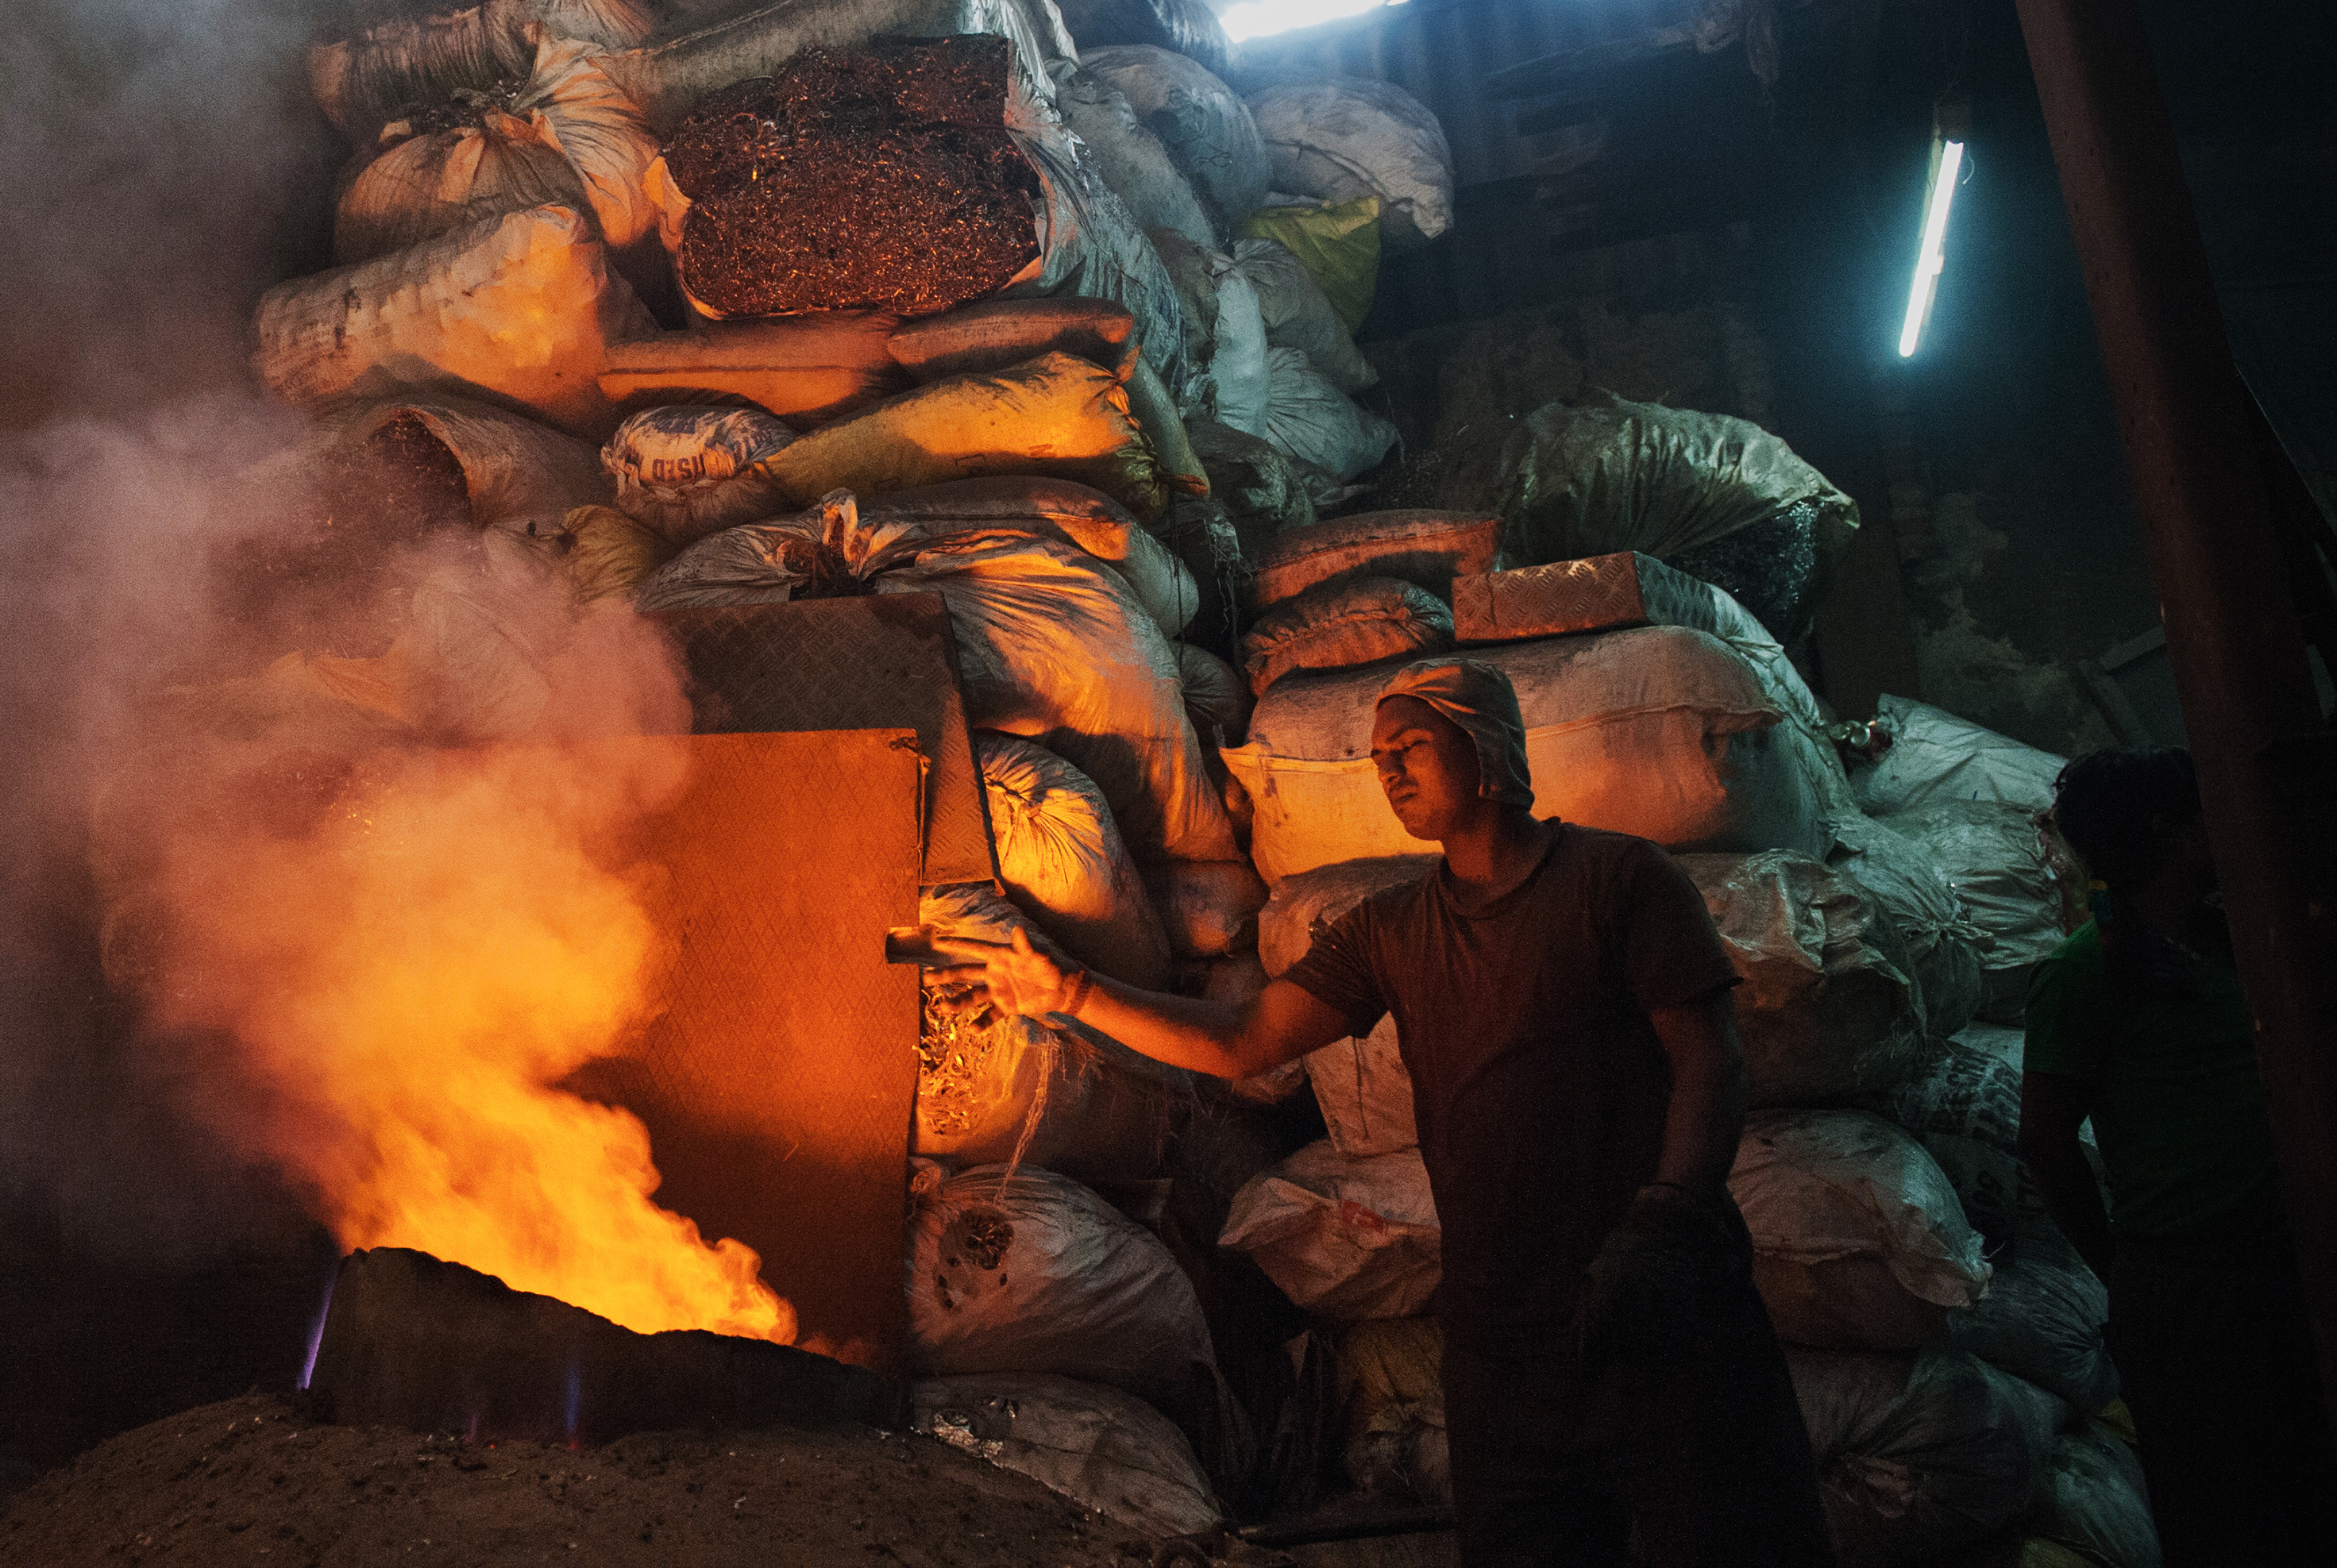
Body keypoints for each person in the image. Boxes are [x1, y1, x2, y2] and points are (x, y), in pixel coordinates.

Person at [981, 657, 1832, 1568]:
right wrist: (1068, 987)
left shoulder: (1619, 881)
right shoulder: (1392, 929)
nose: (1388, 769)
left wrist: (1668, 1216)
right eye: (1379, 752)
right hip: (1507, 1340)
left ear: (1490, 750)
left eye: (1414, 745)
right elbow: (1245, 1037)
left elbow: (1712, 1057)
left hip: (1660, 1302)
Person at [2020, 747, 2331, 1562]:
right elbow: (2046, 1139)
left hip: (2286, 1265)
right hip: (2191, 1289)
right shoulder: (2087, 972)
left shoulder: (2239, 947)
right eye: (2208, 817)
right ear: (2175, 835)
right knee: (2227, 1514)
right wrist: (2119, 1261)